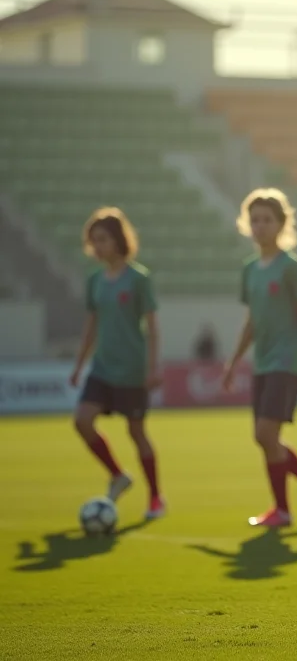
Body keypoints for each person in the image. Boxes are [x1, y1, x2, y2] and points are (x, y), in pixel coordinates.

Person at [222, 188, 297, 528]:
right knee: (264, 436)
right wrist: (233, 361)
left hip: (286, 362)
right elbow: (252, 321)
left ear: (281, 224)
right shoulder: (250, 270)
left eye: (267, 220)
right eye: (254, 220)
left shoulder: (291, 268)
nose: (260, 226)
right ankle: (288, 507)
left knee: (266, 433)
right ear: (246, 224)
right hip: (263, 363)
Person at [69, 207, 165, 521]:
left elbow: (152, 326)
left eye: (102, 240)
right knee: (82, 420)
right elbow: (91, 325)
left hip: (131, 371)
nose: (97, 247)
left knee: (136, 432)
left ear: (118, 240)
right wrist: (79, 364)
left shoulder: (138, 279)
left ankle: (155, 498)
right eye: (93, 241)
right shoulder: (95, 280)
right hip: (101, 369)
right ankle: (117, 475)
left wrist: (153, 368)